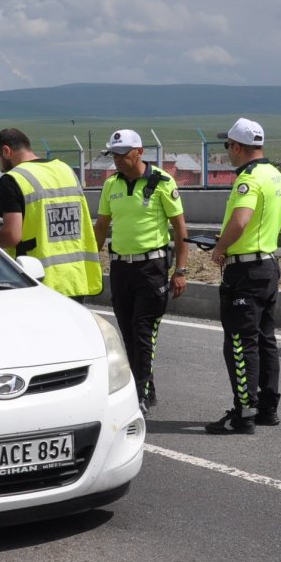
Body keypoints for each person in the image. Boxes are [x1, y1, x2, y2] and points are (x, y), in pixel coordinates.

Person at [91, 129, 189, 416]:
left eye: (123, 155)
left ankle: (140, 395)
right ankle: (146, 386)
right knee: (128, 332)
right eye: (114, 155)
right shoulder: (111, 185)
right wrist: (89, 259)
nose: (118, 160)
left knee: (144, 331)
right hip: (121, 267)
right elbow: (101, 226)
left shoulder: (162, 182)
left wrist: (181, 270)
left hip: (152, 267)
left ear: (140, 152)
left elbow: (181, 229)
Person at [206, 118, 281, 435]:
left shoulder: (248, 179)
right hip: (268, 264)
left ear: (237, 146)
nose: (227, 151)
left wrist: (219, 249)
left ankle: (244, 413)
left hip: (245, 271)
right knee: (266, 340)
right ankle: (268, 408)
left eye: (228, 146)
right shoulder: (276, 175)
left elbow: (240, 221)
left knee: (240, 343)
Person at [0, 128, 102, 301]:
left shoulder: (12, 179)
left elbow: (11, 235)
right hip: (76, 277)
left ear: (6, 151)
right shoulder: (65, 170)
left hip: (40, 280)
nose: (1, 168)